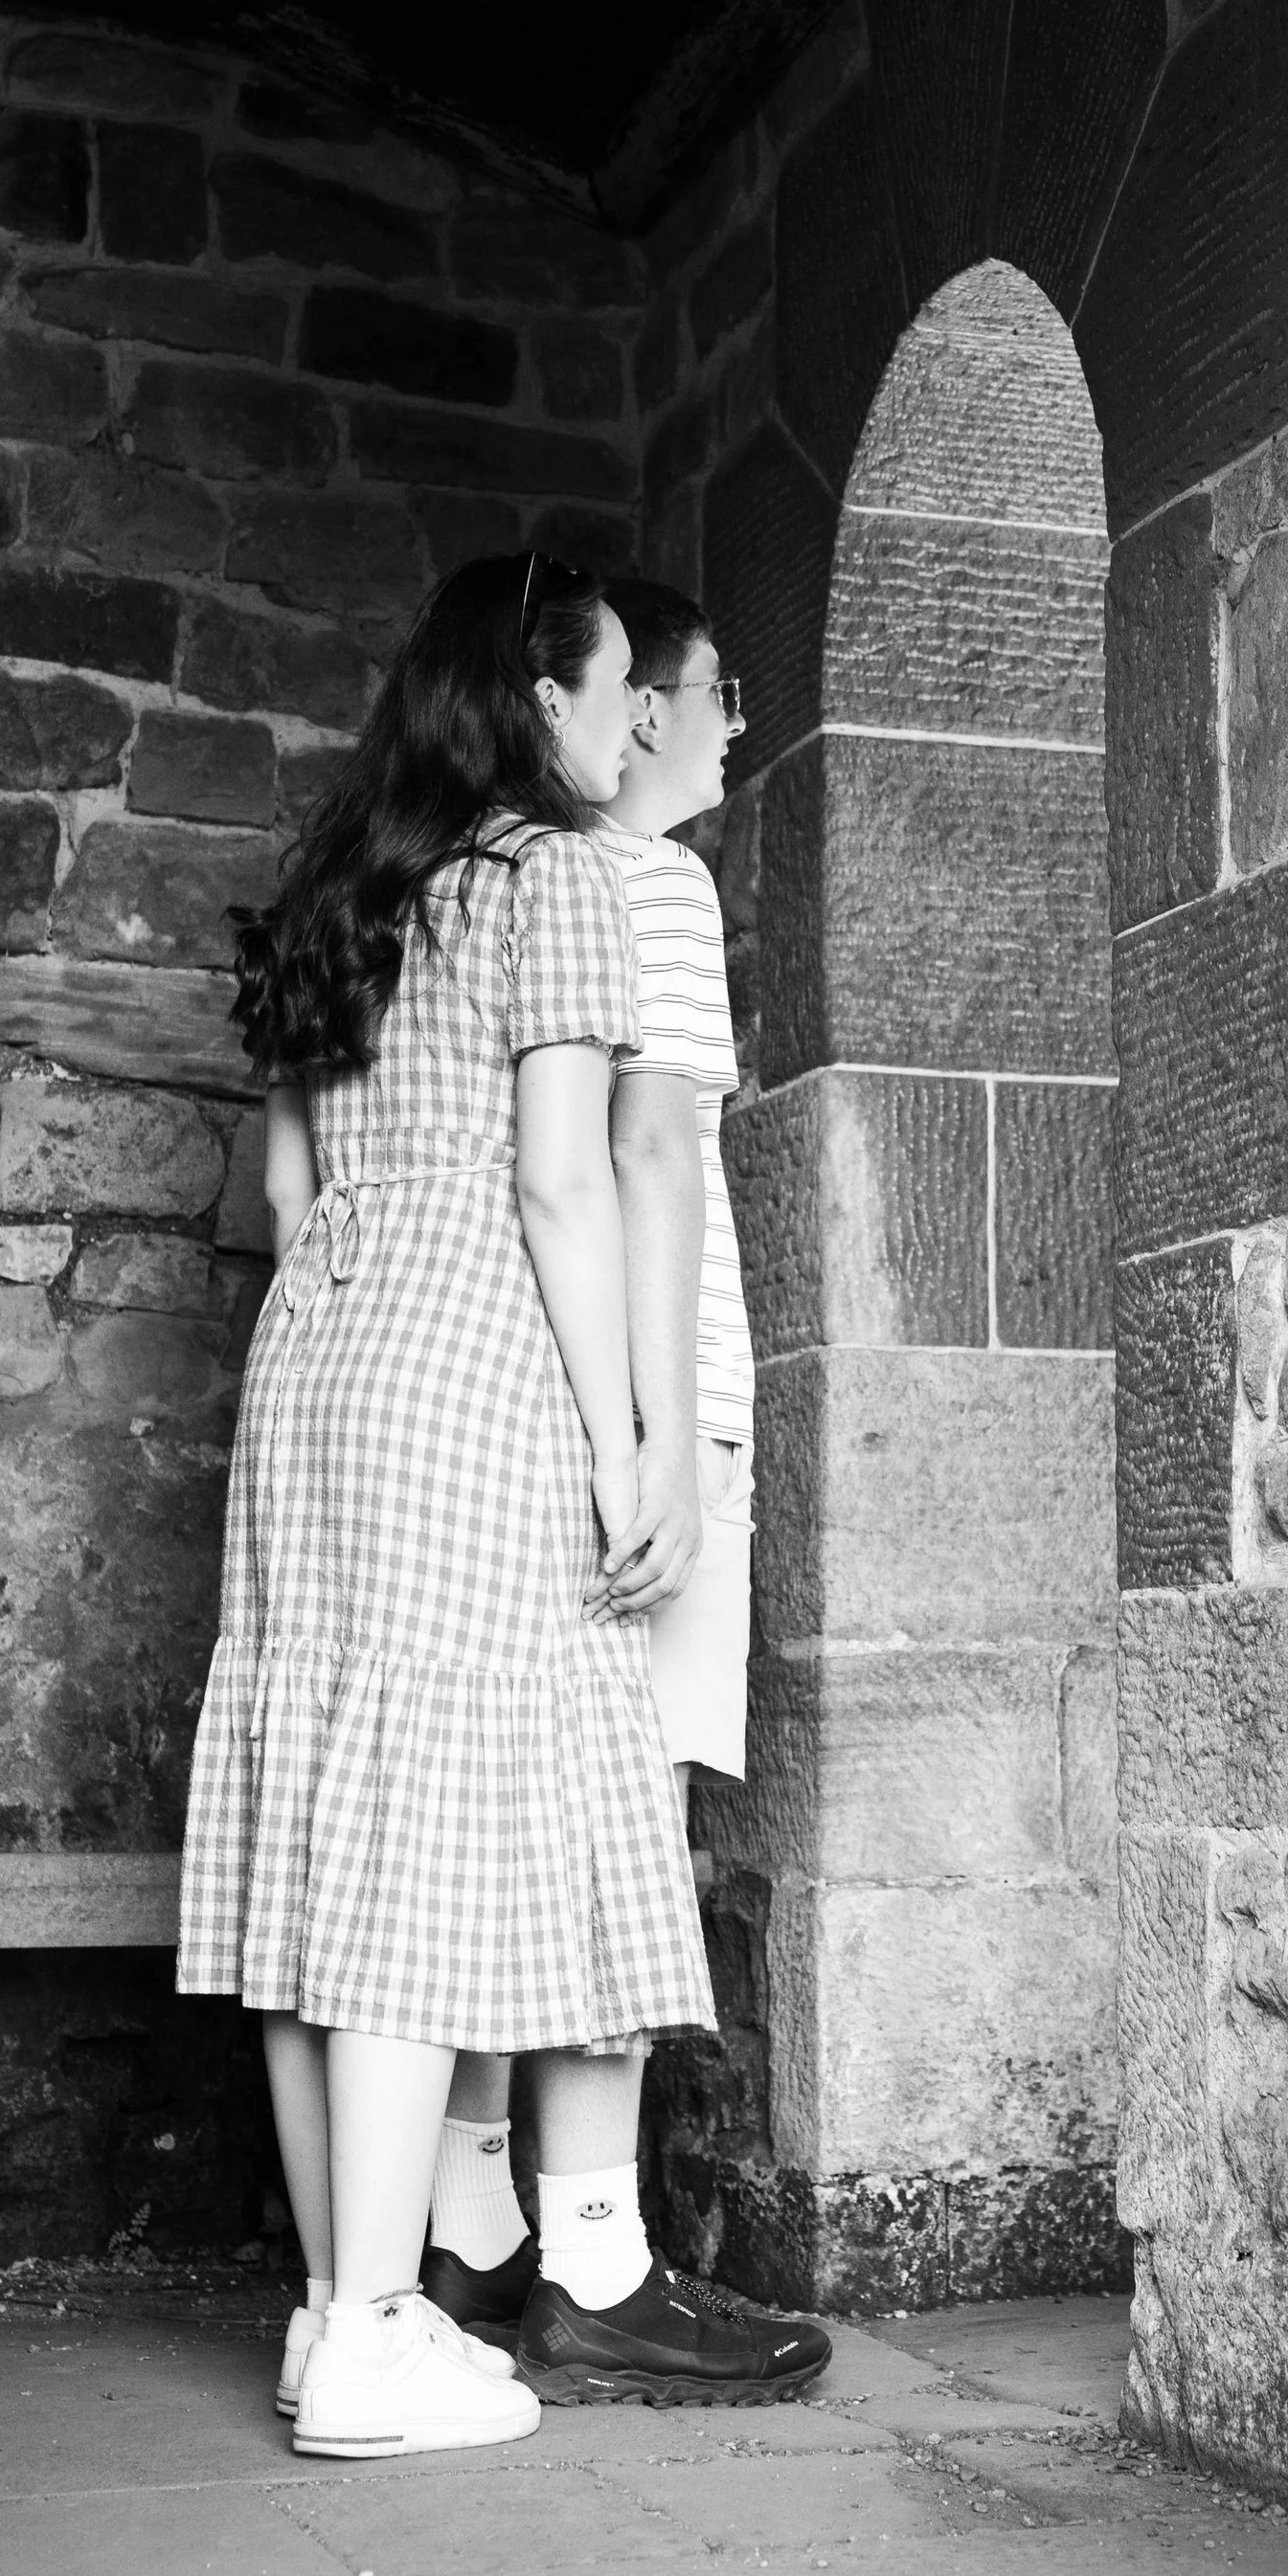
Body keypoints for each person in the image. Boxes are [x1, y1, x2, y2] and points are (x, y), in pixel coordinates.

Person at [175, 555, 725, 2458]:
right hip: (470, 1360)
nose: (620, 723)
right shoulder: (556, 880)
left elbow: (290, 1195)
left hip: (311, 1372)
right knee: (413, 1843)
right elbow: (566, 1190)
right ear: (527, 700)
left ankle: (341, 2307)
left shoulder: (348, 889)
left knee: (321, 1828)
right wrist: (629, 1437)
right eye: (596, 691)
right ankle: (378, 2326)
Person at [422, 580, 828, 2407]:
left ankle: (479, 2227)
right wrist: (665, 1433)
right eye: (719, 690)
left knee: (513, 1812)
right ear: (637, 713)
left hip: (523, 1400)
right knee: (616, 1819)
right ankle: (597, 2254)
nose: (739, 723)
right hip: (652, 1403)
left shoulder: (475, 875)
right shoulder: (644, 885)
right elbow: (648, 1156)